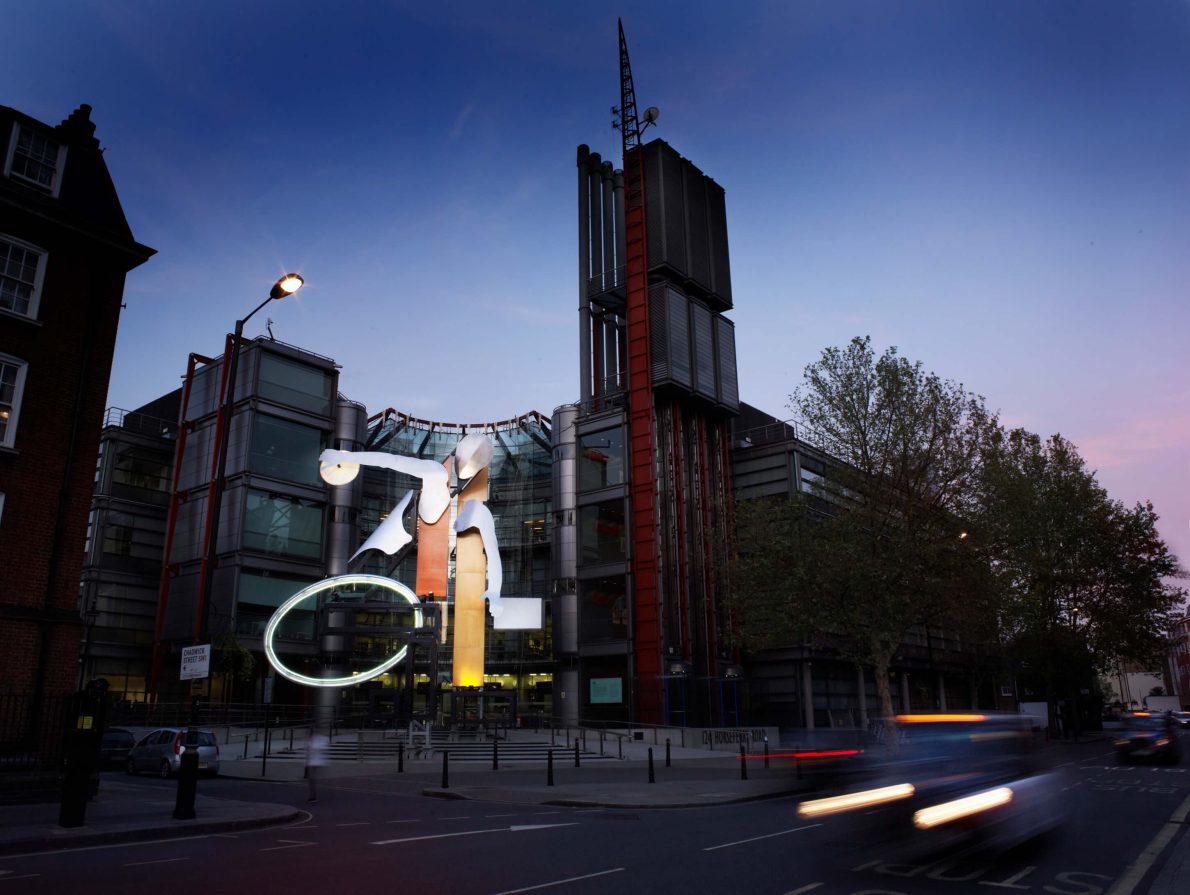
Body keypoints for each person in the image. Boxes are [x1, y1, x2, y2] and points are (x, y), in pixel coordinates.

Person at [305, 728, 328, 802]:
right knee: (311, 779)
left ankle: (313, 796)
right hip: (312, 762)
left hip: (317, 762)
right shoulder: (311, 741)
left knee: (312, 779)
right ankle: (312, 795)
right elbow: (308, 752)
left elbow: (320, 749)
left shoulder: (319, 740)